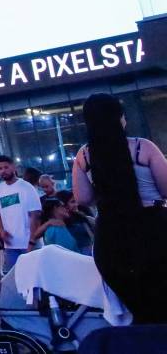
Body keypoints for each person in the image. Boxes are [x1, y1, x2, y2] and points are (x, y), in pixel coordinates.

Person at [72, 93, 167, 323]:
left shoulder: (84, 155)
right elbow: (165, 189)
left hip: (111, 235)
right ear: (120, 118)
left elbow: (83, 198)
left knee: (140, 309)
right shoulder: (143, 147)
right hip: (154, 228)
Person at [0, 155, 42, 273]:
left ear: (13, 167)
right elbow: (0, 215)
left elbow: (35, 215)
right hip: (10, 246)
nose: (3, 171)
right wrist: (1, 231)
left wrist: (31, 241)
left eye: (6, 167)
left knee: (33, 279)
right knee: (14, 279)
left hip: (28, 243)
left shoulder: (26, 187)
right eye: (0, 168)